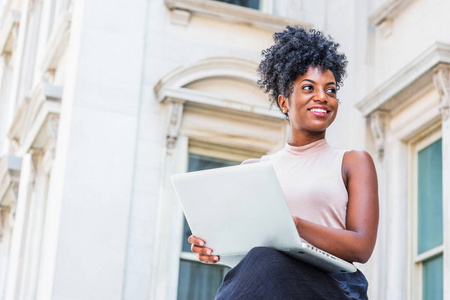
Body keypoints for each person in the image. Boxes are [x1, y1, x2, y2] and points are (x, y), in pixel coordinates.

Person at [188, 26, 379, 299]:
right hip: (272, 284)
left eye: (331, 90)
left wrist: (294, 226)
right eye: (308, 88)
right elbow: (247, 246)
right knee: (258, 262)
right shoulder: (254, 170)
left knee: (266, 263)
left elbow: (362, 246)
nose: (322, 97)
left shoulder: (352, 161)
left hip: (334, 286)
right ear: (284, 102)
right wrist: (215, 249)